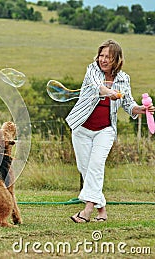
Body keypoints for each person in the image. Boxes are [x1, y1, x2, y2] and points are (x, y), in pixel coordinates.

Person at [65, 39, 155, 223]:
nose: (103, 60)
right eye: (102, 55)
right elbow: (98, 85)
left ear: (117, 60)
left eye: (108, 57)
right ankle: (102, 210)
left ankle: (86, 211)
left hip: (105, 130)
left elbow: (129, 105)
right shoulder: (92, 69)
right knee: (85, 169)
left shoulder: (124, 79)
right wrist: (109, 92)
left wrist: (142, 110)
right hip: (81, 127)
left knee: (96, 166)